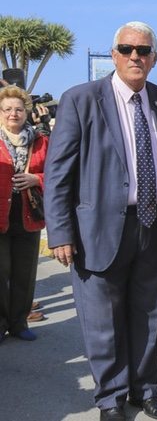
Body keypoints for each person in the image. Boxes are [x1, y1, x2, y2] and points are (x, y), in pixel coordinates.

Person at [44, 22, 157, 421]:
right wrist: (61, 231)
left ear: (154, 58)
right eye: (127, 48)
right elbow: (58, 173)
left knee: (147, 315)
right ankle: (110, 398)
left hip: (151, 226)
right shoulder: (81, 99)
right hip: (96, 230)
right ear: (114, 55)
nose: (135, 56)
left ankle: (145, 390)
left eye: (143, 50)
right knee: (103, 322)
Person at [0, 85, 48, 343]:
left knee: (24, 274)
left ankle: (19, 323)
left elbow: (58, 174)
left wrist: (36, 178)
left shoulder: (40, 141)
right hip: (1, 215)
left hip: (29, 214)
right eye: (7, 109)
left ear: (26, 112)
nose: (13, 114)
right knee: (1, 272)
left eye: (18, 109)